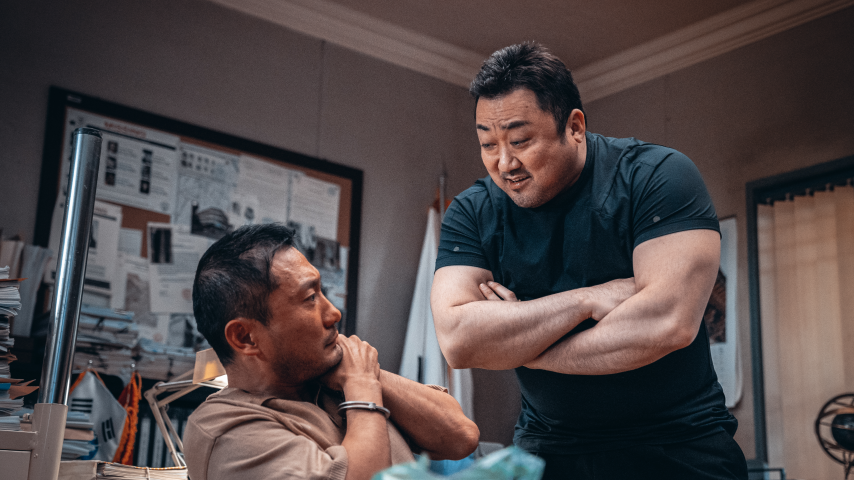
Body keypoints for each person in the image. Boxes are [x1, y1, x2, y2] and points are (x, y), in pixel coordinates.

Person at [430, 42, 747, 479]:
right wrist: (587, 300)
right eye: (488, 144)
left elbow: (665, 324)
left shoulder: (656, 176)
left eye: (520, 141)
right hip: (548, 452)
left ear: (575, 126)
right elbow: (458, 340)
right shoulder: (473, 211)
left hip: (679, 447)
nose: (504, 163)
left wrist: (523, 348)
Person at [184, 224, 479, 480]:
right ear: (245, 337)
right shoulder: (225, 430)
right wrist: (362, 385)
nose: (333, 313)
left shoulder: (330, 374)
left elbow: (462, 437)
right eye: (310, 298)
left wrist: (363, 377)